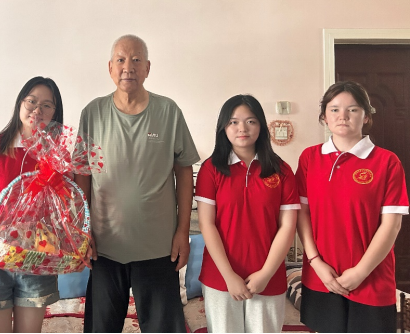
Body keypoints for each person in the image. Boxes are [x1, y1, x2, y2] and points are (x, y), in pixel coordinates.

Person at [75, 35, 200, 333]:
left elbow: (184, 173)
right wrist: (83, 230)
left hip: (158, 247)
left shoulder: (168, 111)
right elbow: (82, 174)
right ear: (110, 67)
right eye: (120, 60)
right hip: (105, 247)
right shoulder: (93, 113)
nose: (127, 67)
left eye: (135, 60)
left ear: (147, 68)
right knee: (101, 328)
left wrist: (183, 231)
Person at [296, 80, 409, 333]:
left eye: (353, 109)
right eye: (334, 109)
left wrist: (360, 272)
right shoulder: (309, 158)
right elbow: (302, 214)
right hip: (321, 277)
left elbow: (391, 226)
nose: (343, 116)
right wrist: (316, 262)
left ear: (366, 116)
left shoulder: (387, 162)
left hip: (371, 279)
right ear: (324, 117)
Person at [0, 76, 63, 333]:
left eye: (47, 105)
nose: (37, 110)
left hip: (37, 260)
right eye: (32, 101)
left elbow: (63, 209)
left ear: (55, 113)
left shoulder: (56, 156)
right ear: (20, 104)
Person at [194, 94, 299, 333]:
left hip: (268, 276)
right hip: (220, 276)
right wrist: (229, 276)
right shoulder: (211, 169)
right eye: (233, 122)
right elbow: (207, 224)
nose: (242, 128)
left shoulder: (281, 170)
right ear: (223, 127)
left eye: (250, 121)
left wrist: (266, 274)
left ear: (261, 126)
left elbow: (288, 226)